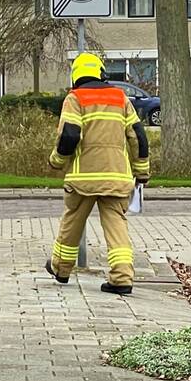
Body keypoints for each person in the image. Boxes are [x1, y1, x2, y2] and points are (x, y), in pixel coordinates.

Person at [45, 52, 150, 294]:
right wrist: (141, 171)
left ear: (76, 76)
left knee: (72, 222)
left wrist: (57, 160)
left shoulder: (75, 98)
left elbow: (70, 134)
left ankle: (61, 269)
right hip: (117, 177)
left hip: (83, 179)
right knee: (116, 225)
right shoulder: (120, 97)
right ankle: (122, 277)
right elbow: (138, 136)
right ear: (101, 73)